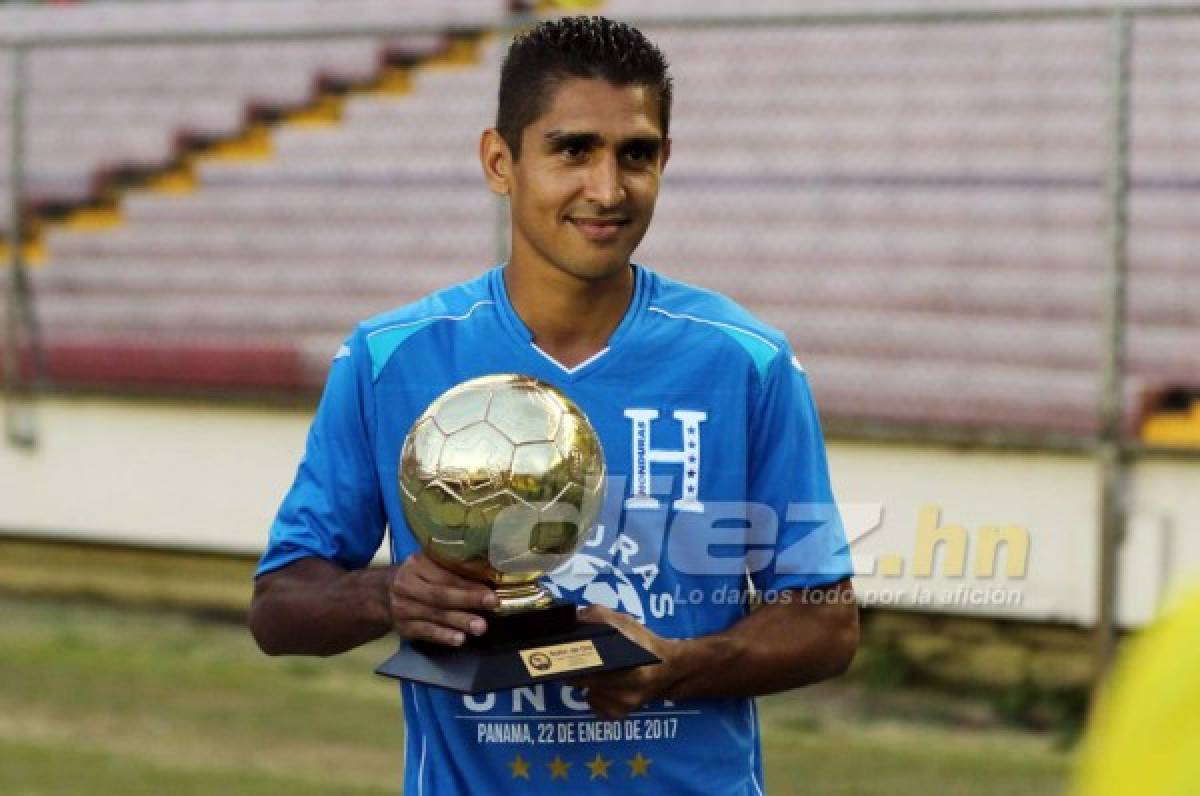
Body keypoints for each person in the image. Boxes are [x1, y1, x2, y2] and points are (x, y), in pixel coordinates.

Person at [250, 15, 858, 794]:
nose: (607, 189)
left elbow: (825, 622)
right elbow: (279, 606)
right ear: (500, 161)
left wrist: (678, 667)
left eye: (635, 154)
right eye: (573, 150)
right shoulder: (390, 359)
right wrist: (388, 593)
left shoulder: (746, 361)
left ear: (665, 160)